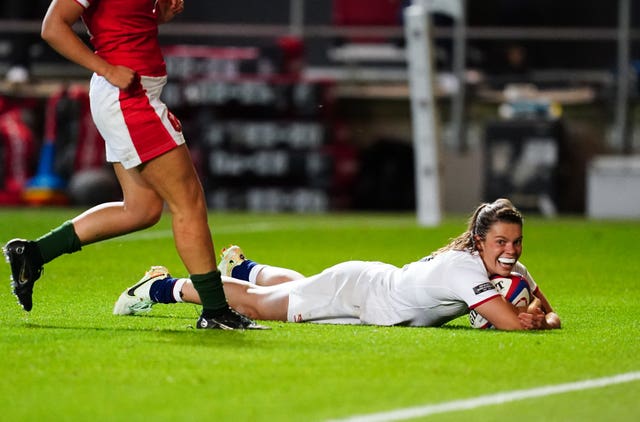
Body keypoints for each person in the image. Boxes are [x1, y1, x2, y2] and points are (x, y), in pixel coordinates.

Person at [2, 0, 264, 330]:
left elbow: (120, 25)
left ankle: (33, 253)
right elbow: (52, 26)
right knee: (189, 202)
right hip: (128, 98)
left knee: (141, 209)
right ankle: (214, 310)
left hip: (135, 94)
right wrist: (107, 68)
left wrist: (157, 17)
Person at [114, 199, 561, 330]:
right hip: (363, 293)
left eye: (517, 242)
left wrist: (543, 313)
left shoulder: (511, 272)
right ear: (480, 240)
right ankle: (157, 287)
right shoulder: (466, 270)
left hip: (369, 289)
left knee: (299, 289)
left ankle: (245, 266)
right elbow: (512, 324)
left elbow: (547, 309)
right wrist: (533, 320)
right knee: (254, 307)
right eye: (501, 241)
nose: (511, 250)